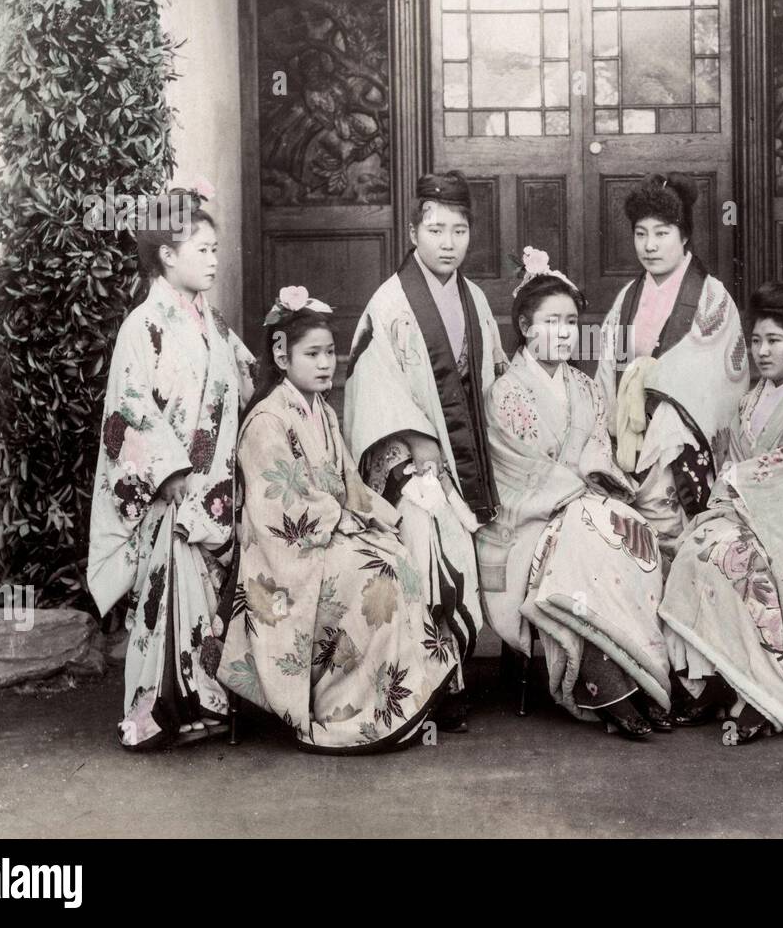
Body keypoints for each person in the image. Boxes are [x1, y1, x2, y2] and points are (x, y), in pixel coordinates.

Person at [218, 290, 456, 752]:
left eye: (329, 352)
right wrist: (342, 522)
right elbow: (278, 507)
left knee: (396, 555)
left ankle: (391, 703)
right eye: (313, 353)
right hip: (285, 556)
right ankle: (342, 710)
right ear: (281, 354)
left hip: (326, 537)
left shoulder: (322, 411)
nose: (325, 363)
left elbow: (348, 484)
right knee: (378, 575)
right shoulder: (266, 420)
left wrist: (376, 517)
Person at [476, 250, 671, 737]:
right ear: (525, 326)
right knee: (584, 540)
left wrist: (592, 485)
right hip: (526, 523)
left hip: (579, 508)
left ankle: (637, 674)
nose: (564, 332)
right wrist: (578, 492)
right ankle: (607, 685)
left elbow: (598, 453)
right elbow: (514, 471)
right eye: (551, 322)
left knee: (633, 534)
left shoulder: (586, 388)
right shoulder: (504, 392)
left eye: (571, 322)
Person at [87, 193, 257, 750]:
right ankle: (161, 711)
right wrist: (170, 472)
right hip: (176, 487)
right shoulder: (143, 325)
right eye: (202, 250)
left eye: (215, 249)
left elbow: (242, 382)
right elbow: (130, 408)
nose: (213, 260)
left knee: (208, 598)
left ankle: (206, 699)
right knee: (170, 594)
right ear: (166, 256)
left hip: (215, 483)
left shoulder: (212, 320)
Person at [659, 283, 783, 743]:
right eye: (756, 341)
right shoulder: (750, 400)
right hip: (756, 515)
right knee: (695, 550)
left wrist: (739, 492)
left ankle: (763, 691)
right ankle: (710, 678)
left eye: (774, 341)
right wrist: (730, 503)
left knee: (730, 558)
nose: (763, 352)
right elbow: (735, 467)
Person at [342, 170, 507, 731]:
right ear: (414, 233)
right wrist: (416, 457)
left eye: (458, 231)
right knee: (429, 533)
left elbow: (492, 384)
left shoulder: (475, 298)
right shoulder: (389, 303)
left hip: (471, 462)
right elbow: (373, 389)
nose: (447, 242)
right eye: (435, 229)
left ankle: (458, 671)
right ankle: (432, 683)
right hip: (411, 468)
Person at [595, 173, 749, 562]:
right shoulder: (628, 297)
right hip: (630, 441)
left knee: (680, 545)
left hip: (677, 443)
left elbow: (716, 377)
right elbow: (608, 366)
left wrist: (647, 384)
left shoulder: (712, 297)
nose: (649, 245)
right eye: (641, 234)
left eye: (662, 233)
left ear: (684, 237)